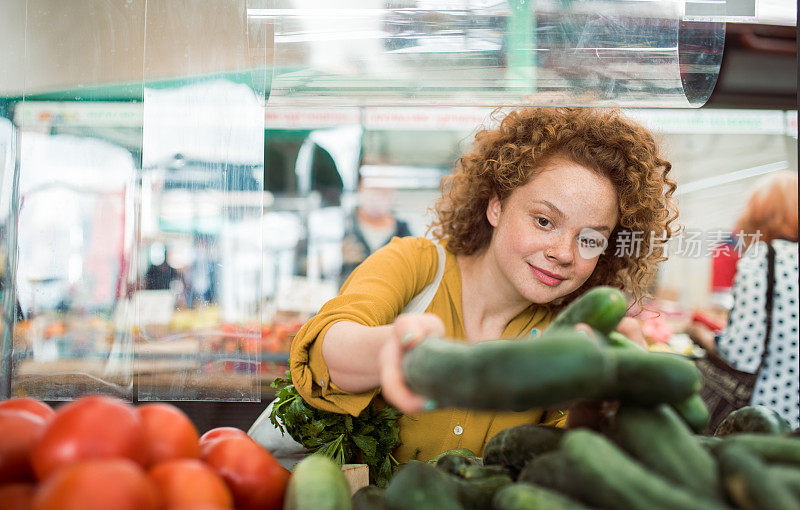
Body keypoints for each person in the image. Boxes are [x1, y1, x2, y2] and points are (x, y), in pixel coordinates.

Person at [290, 107, 678, 461]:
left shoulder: (569, 335)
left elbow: (562, 467)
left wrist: (608, 405)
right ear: (496, 205)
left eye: (590, 239)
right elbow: (328, 350)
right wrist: (400, 351)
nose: (564, 253)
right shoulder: (417, 264)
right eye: (544, 221)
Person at [689, 170, 799, 428]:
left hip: (770, 417)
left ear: (761, 212)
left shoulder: (764, 258)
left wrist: (700, 335)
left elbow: (739, 353)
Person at [340, 180, 412, 284]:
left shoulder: (403, 232)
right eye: (374, 188)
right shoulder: (342, 225)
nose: (378, 196)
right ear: (360, 188)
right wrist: (335, 258)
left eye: (384, 190)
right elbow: (311, 266)